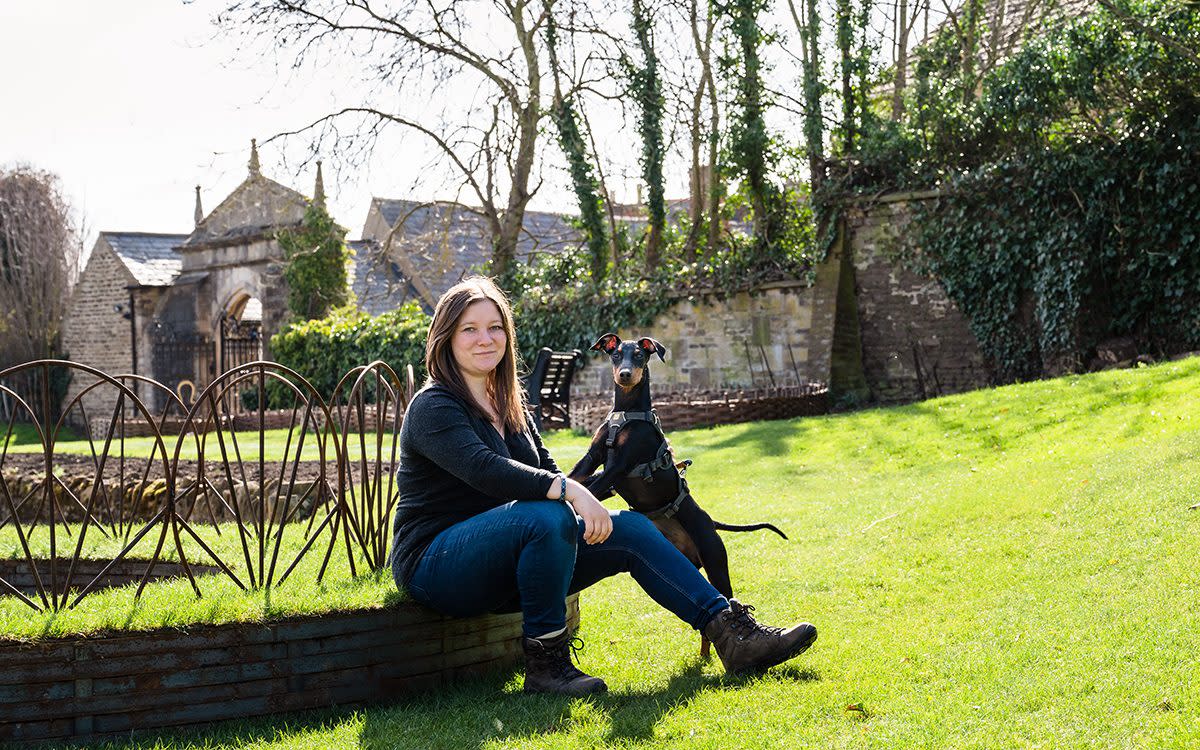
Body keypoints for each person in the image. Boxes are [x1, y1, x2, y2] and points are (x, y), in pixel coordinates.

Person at [387, 276, 816, 696]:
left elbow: (546, 467)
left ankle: (732, 636)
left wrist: (588, 498)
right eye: (470, 329)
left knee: (629, 528)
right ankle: (547, 667)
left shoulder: (510, 404)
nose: (486, 338)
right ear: (446, 337)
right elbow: (486, 470)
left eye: (495, 327)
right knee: (548, 511)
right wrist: (574, 492)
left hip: (510, 563)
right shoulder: (434, 405)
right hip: (437, 564)